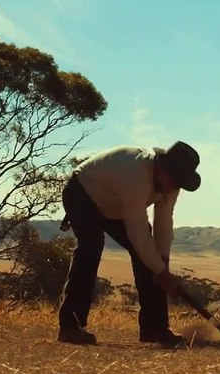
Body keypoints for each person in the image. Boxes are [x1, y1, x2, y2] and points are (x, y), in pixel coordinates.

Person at [56, 141, 201, 349]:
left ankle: (155, 329)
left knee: (150, 259)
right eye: (175, 179)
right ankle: (70, 326)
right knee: (91, 246)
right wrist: (160, 272)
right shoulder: (136, 175)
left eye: (180, 182)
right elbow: (137, 232)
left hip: (115, 205)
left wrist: (163, 263)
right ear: (161, 167)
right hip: (83, 192)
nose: (175, 186)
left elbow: (163, 224)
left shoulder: (171, 185)